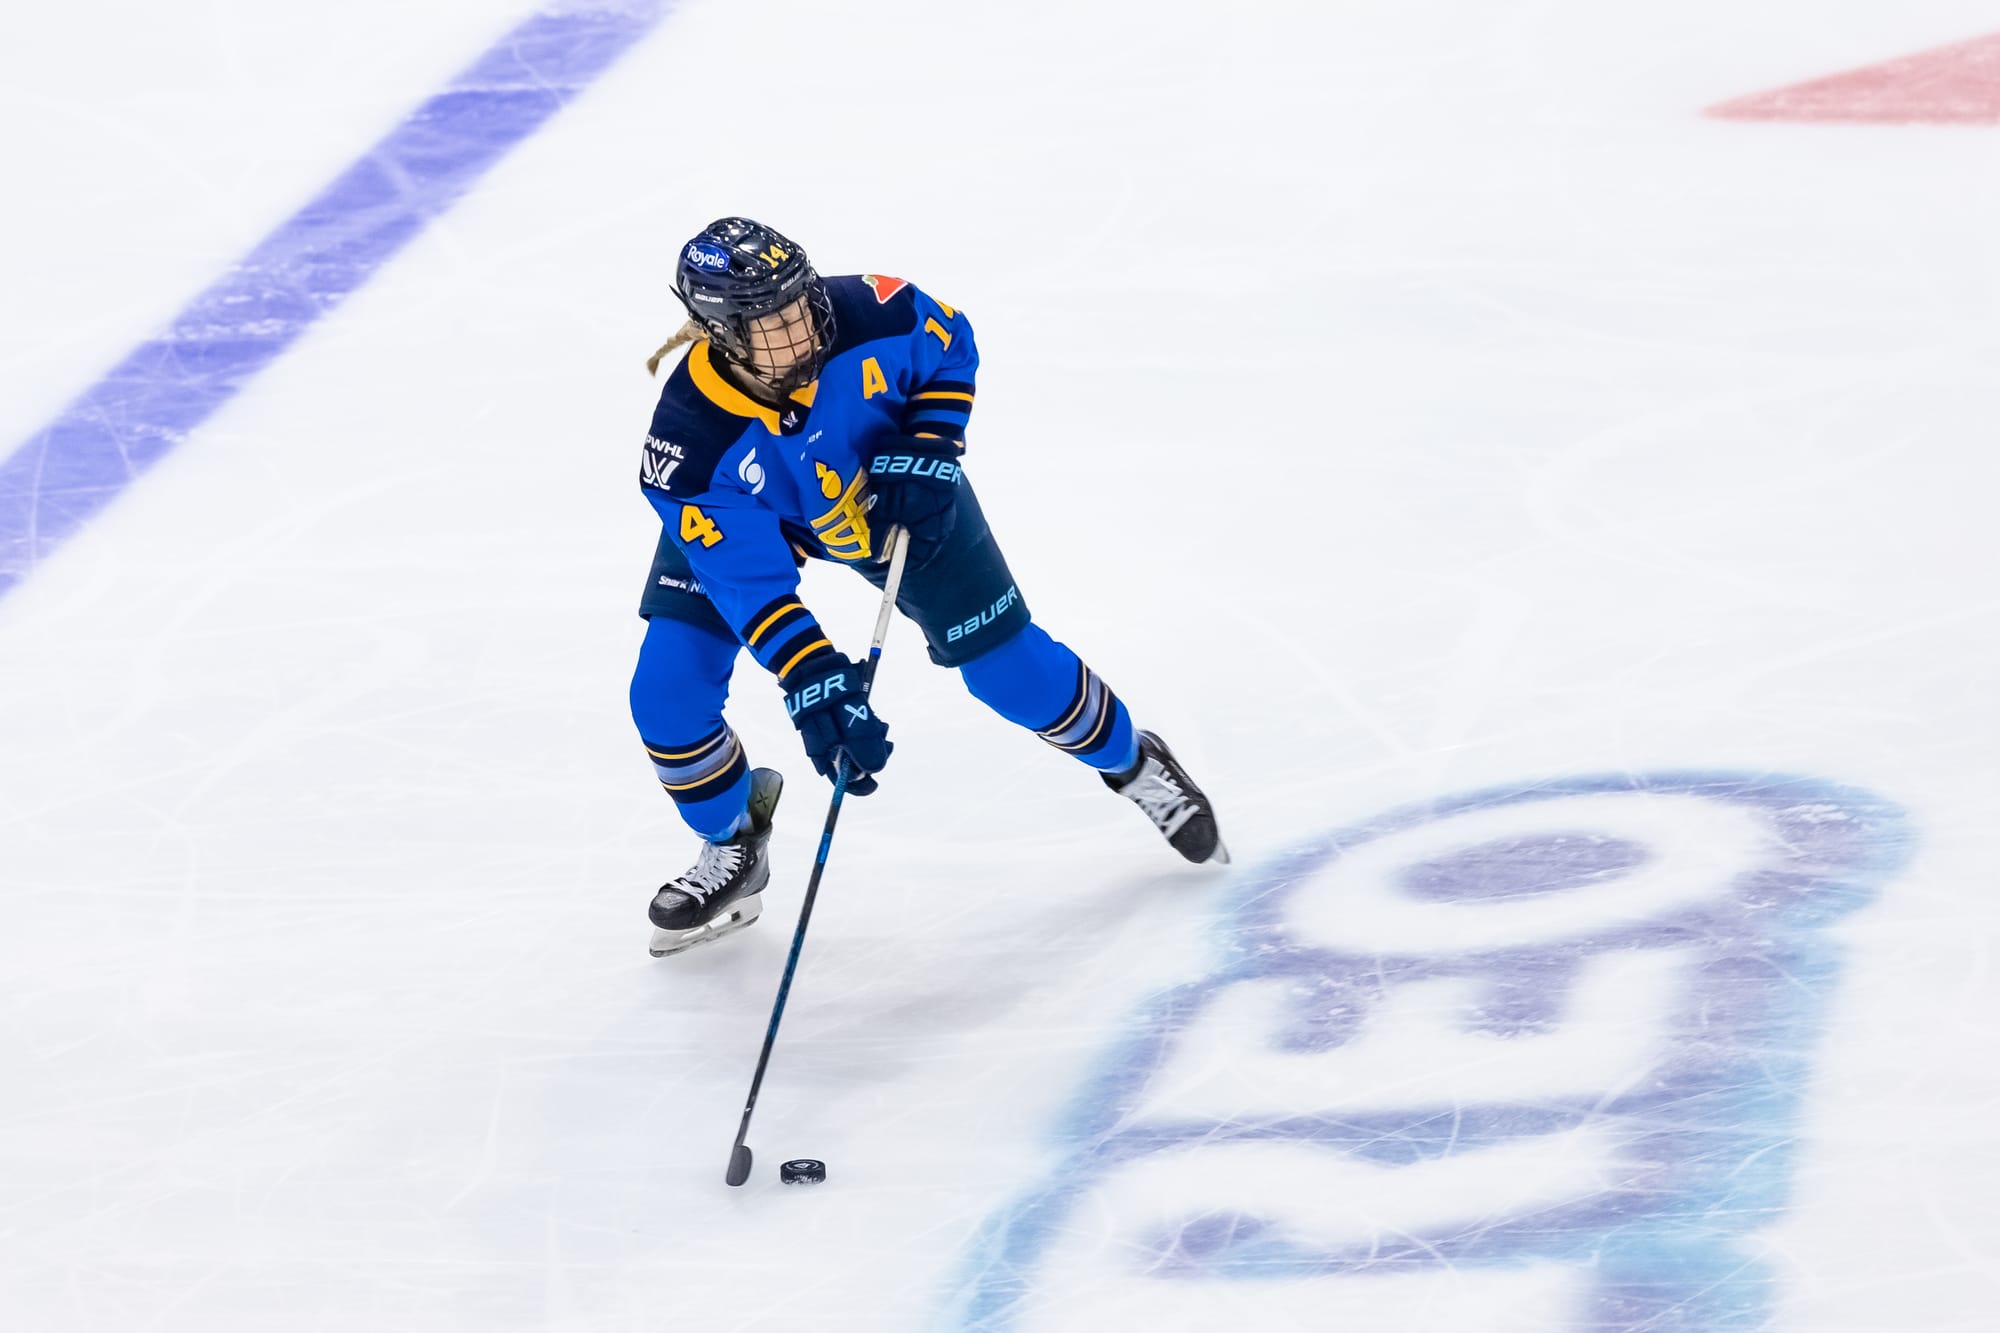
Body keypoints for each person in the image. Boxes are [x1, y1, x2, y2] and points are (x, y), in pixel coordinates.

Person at [630, 218, 1226, 957]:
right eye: (774, 322)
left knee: (1011, 673)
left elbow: (951, 341)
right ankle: (733, 844)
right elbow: (753, 586)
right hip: (753, 512)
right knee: (666, 693)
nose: (804, 326)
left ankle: (1132, 760)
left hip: (893, 494)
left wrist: (931, 443)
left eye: (801, 301)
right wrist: (812, 675)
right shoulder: (689, 446)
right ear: (721, 334)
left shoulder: (870, 310)